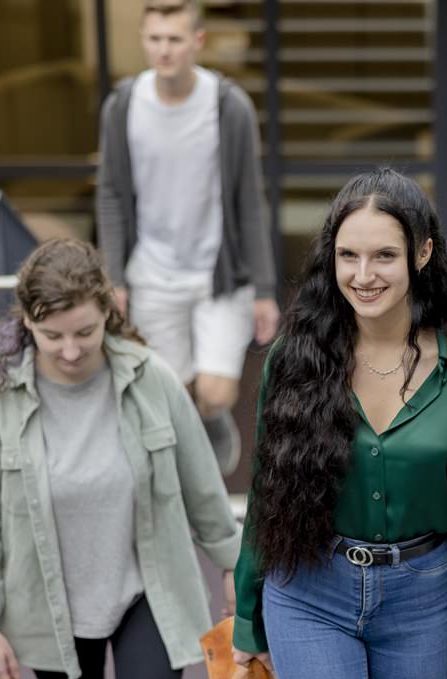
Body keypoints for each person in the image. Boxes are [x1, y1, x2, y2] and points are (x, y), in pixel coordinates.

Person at [231, 168, 447, 679]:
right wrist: (249, 618)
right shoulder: (294, 359)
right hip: (309, 593)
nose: (364, 274)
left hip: (420, 600)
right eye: (348, 255)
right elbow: (267, 497)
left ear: (423, 252)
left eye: (385, 254)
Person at [0, 239, 241, 679]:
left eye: (85, 331)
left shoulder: (150, 379)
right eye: (51, 335)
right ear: (26, 322)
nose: (71, 350)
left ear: (109, 310)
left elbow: (202, 483)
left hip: (145, 589)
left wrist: (230, 563)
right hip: (47, 600)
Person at [96, 0, 280, 475]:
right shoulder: (123, 106)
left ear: (197, 41)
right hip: (152, 273)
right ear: (143, 40)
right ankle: (190, 478)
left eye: (174, 39)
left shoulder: (226, 105)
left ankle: (215, 421)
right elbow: (112, 196)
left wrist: (263, 290)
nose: (164, 50)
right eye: (154, 39)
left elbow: (248, 201)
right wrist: (114, 277)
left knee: (216, 393)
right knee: (170, 396)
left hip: (219, 275)